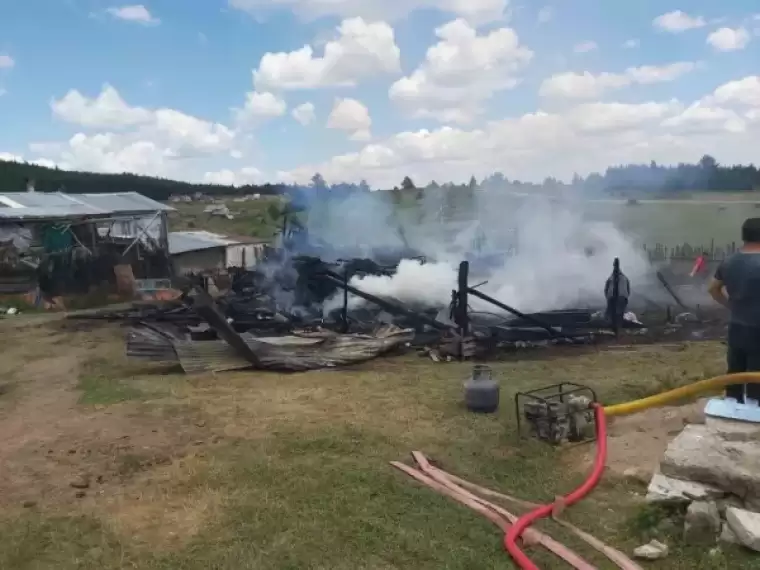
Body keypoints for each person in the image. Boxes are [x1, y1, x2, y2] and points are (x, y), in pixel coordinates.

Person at [708, 218, 760, 403]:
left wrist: (730, 305)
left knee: (735, 369)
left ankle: (732, 405)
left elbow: (713, 288)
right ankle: (754, 409)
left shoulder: (729, 261)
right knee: (756, 373)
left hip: (737, 326)